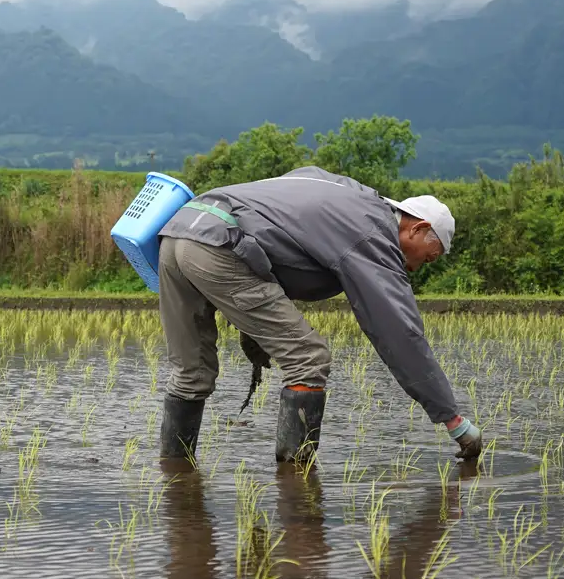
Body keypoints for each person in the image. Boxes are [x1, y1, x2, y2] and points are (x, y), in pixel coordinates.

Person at [153, 165, 482, 467]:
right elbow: (400, 334)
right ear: (417, 228)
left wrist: (254, 327)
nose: (416, 267)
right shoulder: (373, 235)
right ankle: (297, 494)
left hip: (179, 233)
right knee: (308, 359)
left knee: (191, 372)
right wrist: (451, 418)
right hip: (220, 244)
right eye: (428, 258)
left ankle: (175, 479)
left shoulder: (349, 195)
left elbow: (280, 217)